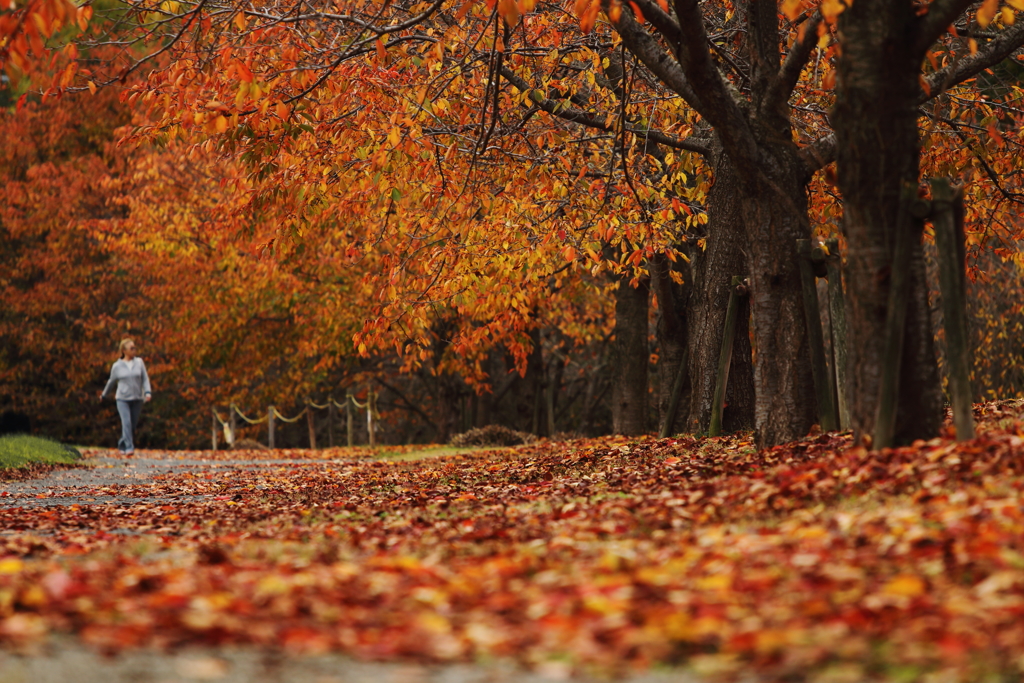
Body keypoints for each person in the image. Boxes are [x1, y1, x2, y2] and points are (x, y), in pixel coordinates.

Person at [99, 338, 152, 455]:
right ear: (124, 350)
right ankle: (129, 448)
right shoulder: (117, 366)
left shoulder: (139, 362)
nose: (134, 350)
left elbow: (145, 378)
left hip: (137, 398)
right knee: (126, 423)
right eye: (131, 348)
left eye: (135, 348)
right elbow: (111, 382)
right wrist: (104, 394)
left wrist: (148, 392)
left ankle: (122, 444)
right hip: (122, 399)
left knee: (132, 426)